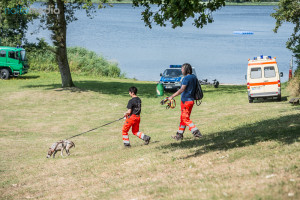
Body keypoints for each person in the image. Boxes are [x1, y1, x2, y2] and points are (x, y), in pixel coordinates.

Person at [168, 63, 202, 140]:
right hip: (190, 101)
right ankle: (179, 135)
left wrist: (172, 96)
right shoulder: (194, 77)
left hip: (186, 101)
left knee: (185, 118)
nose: (181, 70)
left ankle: (196, 132)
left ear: (186, 69)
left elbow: (182, 89)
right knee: (183, 118)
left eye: (182, 69)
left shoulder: (186, 78)